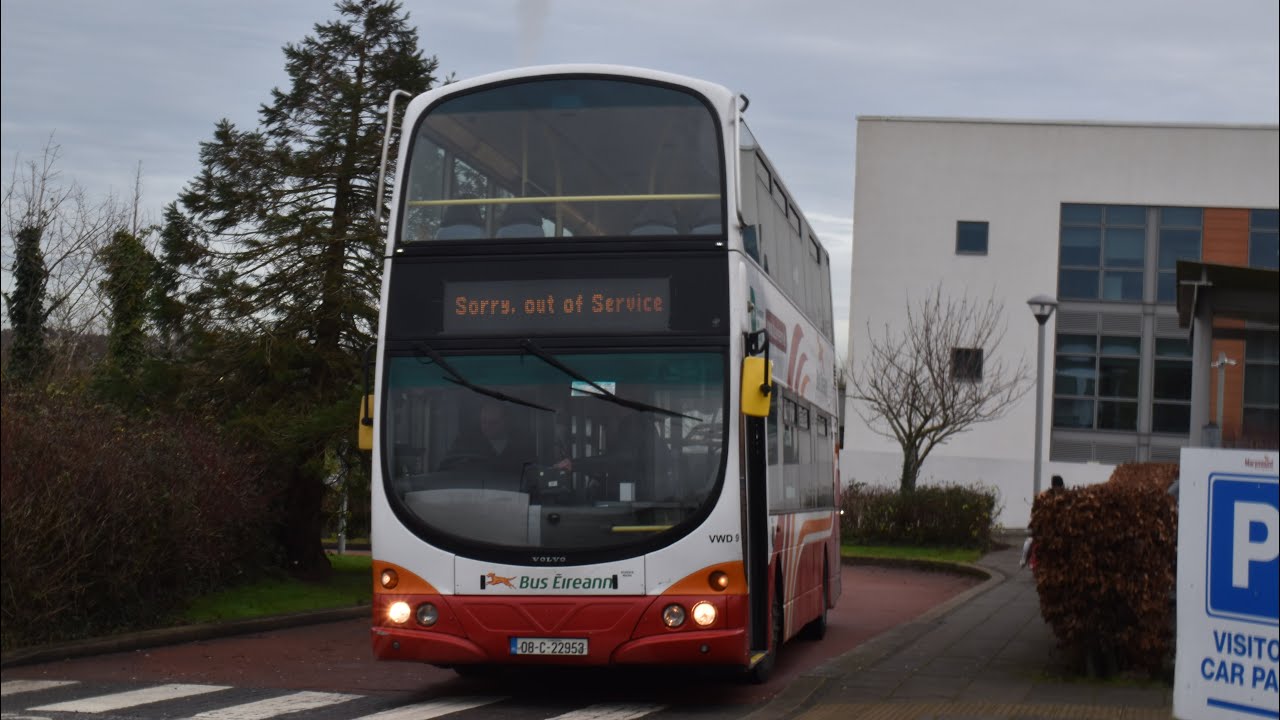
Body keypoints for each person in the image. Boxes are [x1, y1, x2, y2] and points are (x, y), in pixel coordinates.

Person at [443, 402, 536, 475]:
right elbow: (446, 469)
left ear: (506, 421)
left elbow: (533, 473)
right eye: (484, 422)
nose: (487, 426)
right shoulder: (465, 443)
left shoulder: (523, 444)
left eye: (493, 422)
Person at [1021, 475, 1065, 569]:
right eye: (1055, 486)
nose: (1057, 488)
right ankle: (1024, 559)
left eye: (1059, 486)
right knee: (1029, 542)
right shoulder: (1045, 496)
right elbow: (1037, 511)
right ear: (1053, 486)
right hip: (1045, 525)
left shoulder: (1066, 497)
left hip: (1060, 526)